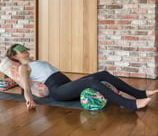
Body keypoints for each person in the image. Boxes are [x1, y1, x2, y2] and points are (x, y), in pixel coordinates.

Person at [5, 44, 158, 111]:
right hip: (58, 91)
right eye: (20, 49)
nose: (24, 49)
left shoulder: (37, 61)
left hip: (67, 85)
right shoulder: (24, 67)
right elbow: (25, 85)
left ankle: (139, 93)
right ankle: (131, 104)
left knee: (103, 74)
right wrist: (29, 99)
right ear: (15, 56)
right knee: (91, 81)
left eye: (23, 47)